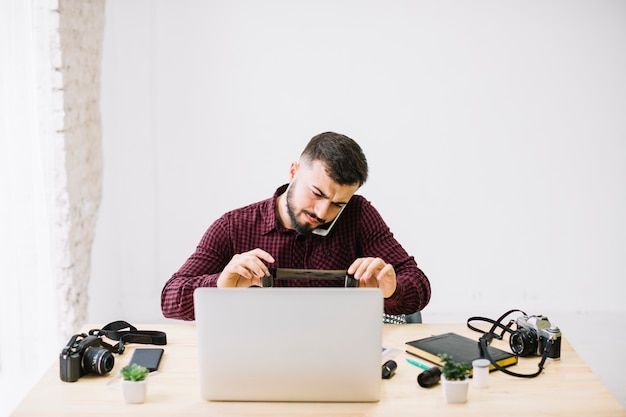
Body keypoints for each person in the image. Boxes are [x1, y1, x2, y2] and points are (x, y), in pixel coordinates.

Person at [161, 132, 431, 320]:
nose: (323, 212)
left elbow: (419, 286)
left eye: (338, 204)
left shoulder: (359, 215)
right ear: (293, 172)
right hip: (257, 357)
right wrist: (219, 285)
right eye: (317, 193)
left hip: (337, 357)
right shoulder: (233, 227)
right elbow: (169, 299)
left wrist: (392, 289)